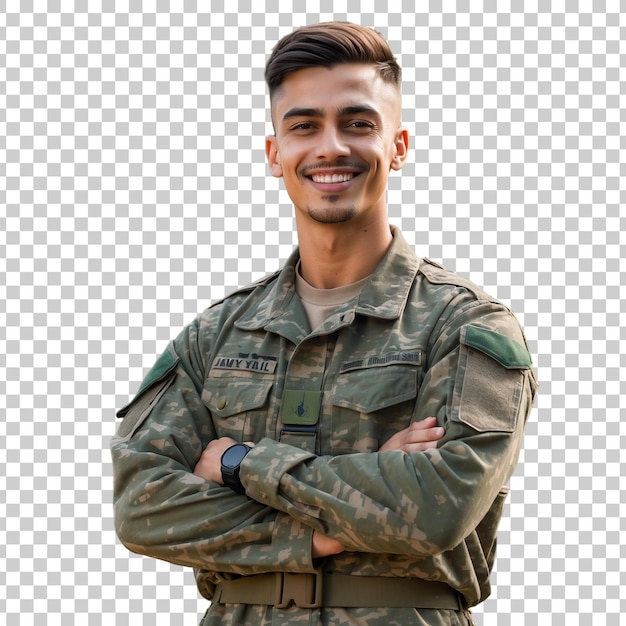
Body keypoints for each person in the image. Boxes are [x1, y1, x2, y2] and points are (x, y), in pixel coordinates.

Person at [111, 22, 538, 626]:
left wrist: (238, 465)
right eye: (304, 125)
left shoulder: (463, 325)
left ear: (399, 146)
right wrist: (331, 530)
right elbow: (142, 507)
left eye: (358, 124)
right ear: (274, 153)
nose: (330, 147)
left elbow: (439, 505)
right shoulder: (218, 334)